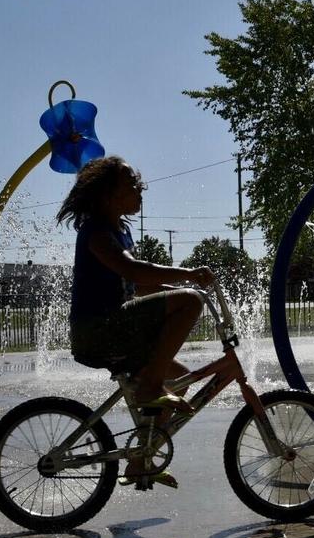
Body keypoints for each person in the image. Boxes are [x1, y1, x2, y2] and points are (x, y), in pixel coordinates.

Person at [56, 156, 214, 487]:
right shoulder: (96, 232)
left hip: (116, 330)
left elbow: (138, 284)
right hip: (99, 331)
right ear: (107, 195)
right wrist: (188, 279)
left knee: (181, 381)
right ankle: (149, 386)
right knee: (189, 301)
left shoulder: (119, 232)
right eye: (131, 183)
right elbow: (132, 269)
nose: (139, 188)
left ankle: (140, 461)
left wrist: (177, 287)